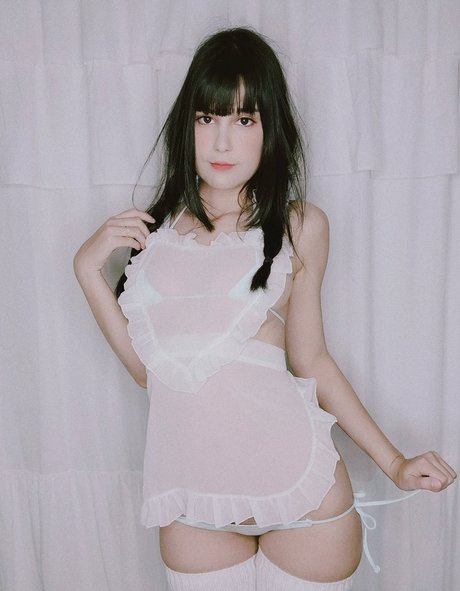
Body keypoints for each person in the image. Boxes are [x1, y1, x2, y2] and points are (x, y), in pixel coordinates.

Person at [73, 27, 456, 591]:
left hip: (305, 501)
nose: (222, 142)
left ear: (270, 128)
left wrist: (395, 464)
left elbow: (312, 360)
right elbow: (151, 374)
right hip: (194, 506)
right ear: (186, 126)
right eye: (207, 118)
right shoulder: (152, 235)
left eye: (244, 120)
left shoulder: (300, 225)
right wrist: (87, 270)